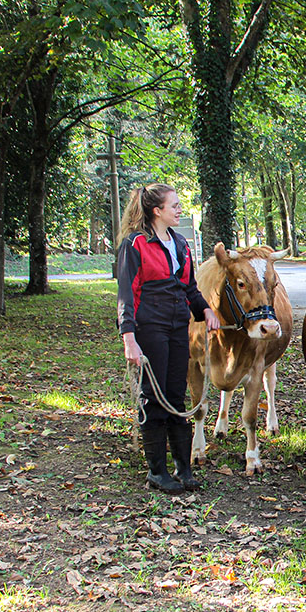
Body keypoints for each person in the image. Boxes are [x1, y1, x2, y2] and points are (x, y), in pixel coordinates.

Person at [117, 184, 220, 494]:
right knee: (154, 396)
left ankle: (184, 469)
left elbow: (189, 289)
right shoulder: (134, 245)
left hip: (178, 326)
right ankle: (156, 471)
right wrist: (129, 338)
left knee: (176, 395)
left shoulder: (180, 244)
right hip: (150, 327)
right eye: (174, 205)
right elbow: (127, 294)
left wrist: (206, 310)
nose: (179, 210)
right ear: (156, 211)